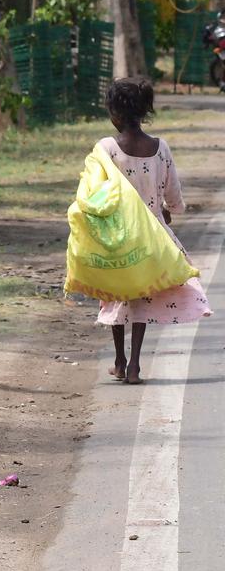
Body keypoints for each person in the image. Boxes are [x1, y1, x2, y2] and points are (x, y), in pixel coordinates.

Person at [94, 77, 211, 384]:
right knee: (141, 297)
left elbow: (95, 191)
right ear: (145, 110)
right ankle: (134, 365)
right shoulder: (160, 148)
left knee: (116, 294)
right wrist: (169, 211)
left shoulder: (107, 148)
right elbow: (173, 194)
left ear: (114, 112)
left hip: (116, 236)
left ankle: (119, 360)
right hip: (152, 237)